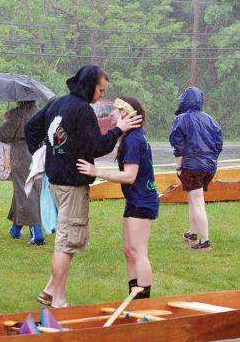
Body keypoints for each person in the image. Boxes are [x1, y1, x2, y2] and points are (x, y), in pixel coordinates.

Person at [24, 65, 142, 308]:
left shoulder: (58, 103)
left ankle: (49, 291)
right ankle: (58, 301)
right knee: (66, 244)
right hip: (72, 185)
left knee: (70, 238)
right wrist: (120, 129)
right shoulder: (83, 110)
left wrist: (49, 156)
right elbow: (97, 147)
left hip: (56, 181)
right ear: (89, 85)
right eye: (100, 90)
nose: (100, 95)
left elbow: (31, 128)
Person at [77, 96, 159, 299]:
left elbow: (129, 176)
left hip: (142, 200)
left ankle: (143, 301)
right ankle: (133, 296)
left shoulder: (133, 139)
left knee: (139, 251)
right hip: (135, 199)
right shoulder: (131, 136)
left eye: (115, 109)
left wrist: (97, 172)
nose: (111, 112)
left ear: (124, 113)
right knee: (128, 250)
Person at [169, 86, 223, 250]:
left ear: (184, 100)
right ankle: (192, 234)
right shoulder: (211, 120)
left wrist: (179, 168)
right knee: (193, 199)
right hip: (209, 167)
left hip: (191, 167)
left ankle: (204, 241)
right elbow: (218, 144)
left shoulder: (181, 119)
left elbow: (177, 144)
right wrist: (210, 160)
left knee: (198, 201)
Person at [0, 101, 45, 245]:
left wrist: (5, 122)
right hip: (38, 152)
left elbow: (4, 136)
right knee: (26, 189)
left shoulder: (16, 114)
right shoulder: (40, 112)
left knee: (26, 190)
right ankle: (15, 229)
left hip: (22, 154)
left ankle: (37, 232)